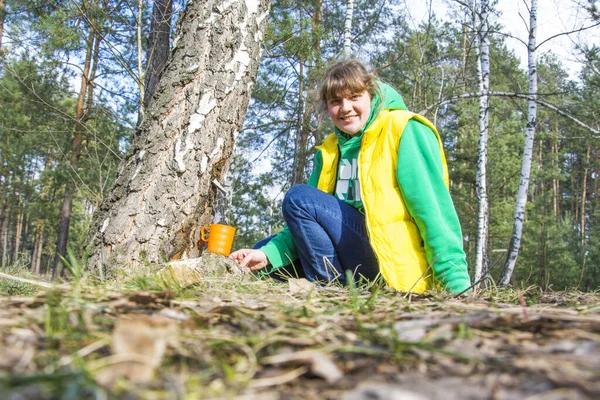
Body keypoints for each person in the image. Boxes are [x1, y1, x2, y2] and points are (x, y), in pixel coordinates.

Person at [230, 59, 471, 294]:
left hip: (387, 261)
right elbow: (309, 220)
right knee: (264, 252)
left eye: (354, 97)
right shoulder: (331, 148)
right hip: (351, 255)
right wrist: (267, 255)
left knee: (299, 198)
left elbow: (434, 213)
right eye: (336, 101)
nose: (345, 108)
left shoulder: (403, 128)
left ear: (372, 96)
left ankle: (330, 291)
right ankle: (330, 284)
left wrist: (458, 286)